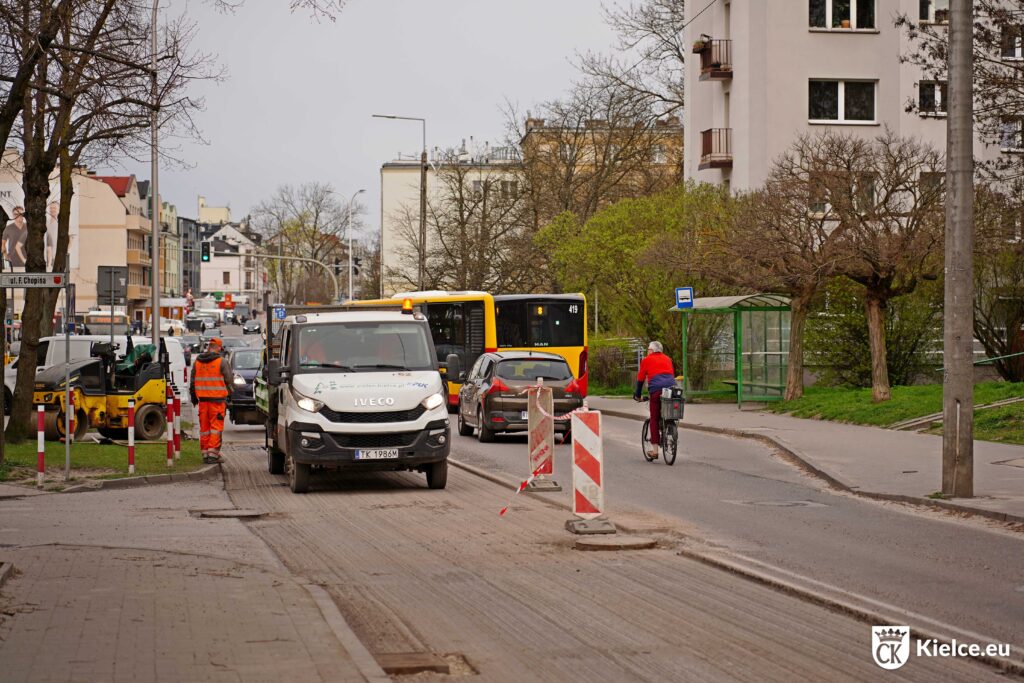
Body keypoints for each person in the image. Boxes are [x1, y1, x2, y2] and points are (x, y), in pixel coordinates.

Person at [190, 336, 233, 464]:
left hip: (203, 401)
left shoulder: (198, 361)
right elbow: (229, 380)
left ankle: (205, 453)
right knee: (215, 427)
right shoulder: (222, 362)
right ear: (219, 348)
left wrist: (193, 397)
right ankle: (213, 454)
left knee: (205, 428)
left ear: (209, 347)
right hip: (217, 401)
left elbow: (192, 382)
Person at [633, 340, 676, 459]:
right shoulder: (668, 359)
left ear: (651, 350)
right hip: (671, 388)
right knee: (668, 408)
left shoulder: (646, 360)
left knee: (654, 418)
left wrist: (637, 395)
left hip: (656, 390)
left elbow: (640, 379)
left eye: (648, 349)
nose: (647, 351)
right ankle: (670, 428)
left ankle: (655, 450)